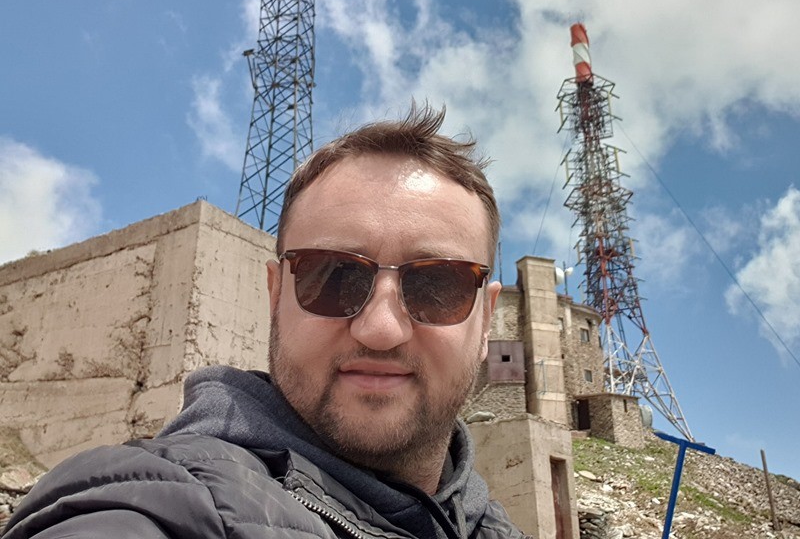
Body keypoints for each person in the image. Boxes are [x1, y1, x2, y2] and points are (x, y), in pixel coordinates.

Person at [3, 105, 526, 539]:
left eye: (437, 286)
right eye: (333, 276)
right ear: (276, 296)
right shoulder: (164, 506)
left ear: (486, 320)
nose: (380, 329)